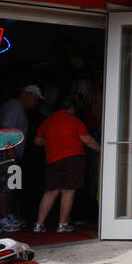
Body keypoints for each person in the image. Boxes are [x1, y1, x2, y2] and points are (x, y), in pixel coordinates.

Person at [33, 97, 100, 233]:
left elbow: (38, 141)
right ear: (71, 108)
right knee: (68, 191)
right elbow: (86, 139)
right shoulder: (74, 121)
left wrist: (53, 142)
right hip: (73, 159)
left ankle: (39, 224)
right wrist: (101, 149)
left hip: (52, 160)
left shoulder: (46, 122)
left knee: (50, 192)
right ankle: (62, 224)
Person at [0, 84, 41, 232]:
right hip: (5, 153)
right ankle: (2, 219)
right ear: (27, 95)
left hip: (10, 153)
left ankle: (7, 216)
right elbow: (5, 128)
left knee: (10, 186)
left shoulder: (16, 107)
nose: (36, 103)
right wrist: (10, 150)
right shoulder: (14, 106)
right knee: (3, 187)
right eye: (35, 99)